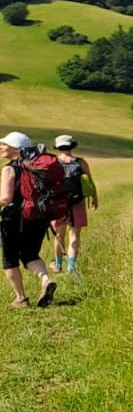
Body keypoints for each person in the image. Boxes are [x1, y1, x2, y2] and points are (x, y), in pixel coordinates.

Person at [1, 132, 58, 308]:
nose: (1, 146)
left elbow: (6, 198)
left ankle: (21, 299)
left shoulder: (9, 169)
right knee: (30, 254)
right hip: (38, 217)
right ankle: (46, 279)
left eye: (5, 144)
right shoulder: (36, 166)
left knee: (10, 259)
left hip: (13, 221)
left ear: (16, 148)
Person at [49, 134, 96, 285]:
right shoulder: (80, 162)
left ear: (58, 147)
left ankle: (57, 265)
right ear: (72, 146)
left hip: (59, 204)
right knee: (74, 236)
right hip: (78, 202)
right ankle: (71, 267)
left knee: (59, 235)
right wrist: (95, 198)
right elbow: (89, 181)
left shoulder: (53, 162)